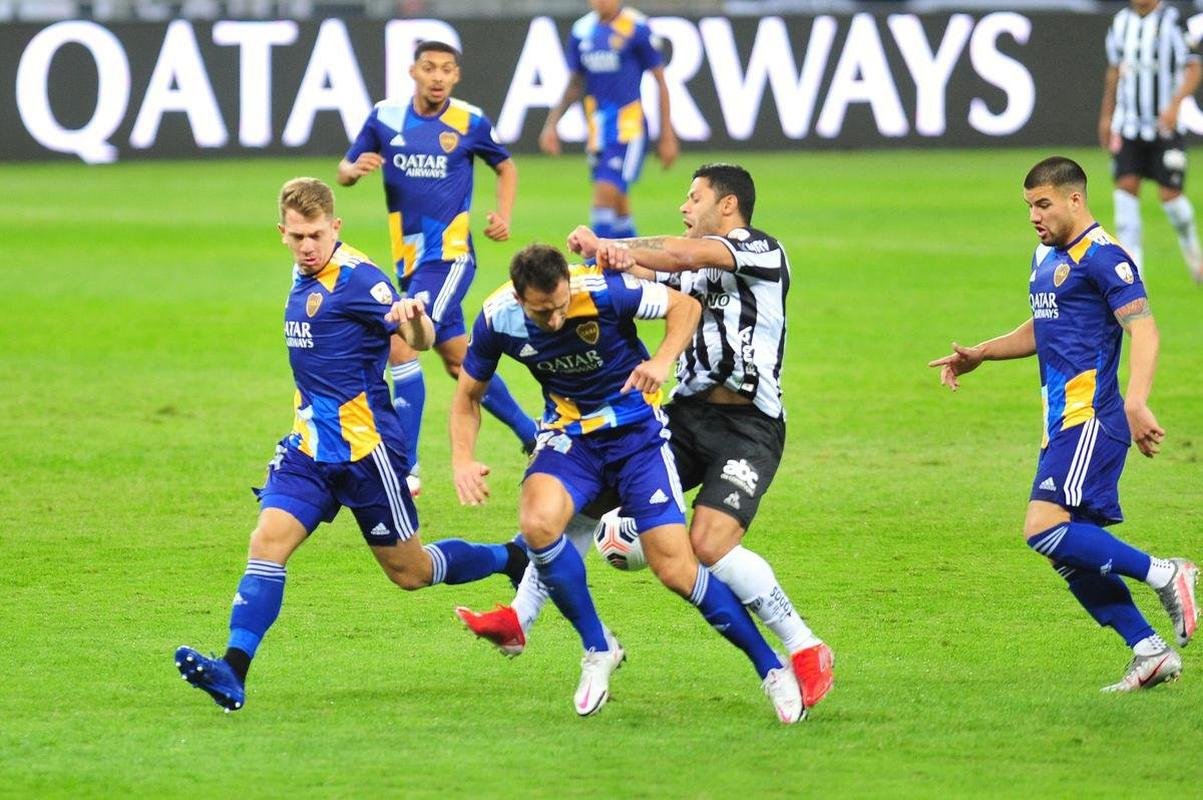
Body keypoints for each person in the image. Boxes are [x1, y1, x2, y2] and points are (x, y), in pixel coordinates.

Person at [457, 163, 834, 714]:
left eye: (694, 198)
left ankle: (804, 645)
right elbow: (646, 274)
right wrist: (610, 255)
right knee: (577, 507)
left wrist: (609, 241)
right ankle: (521, 616)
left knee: (705, 546)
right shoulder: (685, 268)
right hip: (685, 415)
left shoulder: (760, 251)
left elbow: (679, 255)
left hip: (748, 427)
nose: (684, 209)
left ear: (726, 206)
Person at [173, 178, 526, 712]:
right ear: (283, 234)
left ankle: (510, 557)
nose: (307, 246)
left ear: (335, 227)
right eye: (297, 236)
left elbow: (418, 346)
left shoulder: (362, 281)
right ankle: (233, 670)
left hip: (365, 455)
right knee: (266, 541)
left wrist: (418, 323)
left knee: (410, 572)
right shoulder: (301, 271)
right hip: (308, 450)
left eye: (316, 234)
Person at [928, 156, 1198, 692]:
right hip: (1061, 423)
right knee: (1073, 550)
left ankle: (1170, 574)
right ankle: (1149, 651)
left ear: (1075, 199)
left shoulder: (1106, 258)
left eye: (1044, 204)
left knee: (1044, 529)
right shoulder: (1045, 256)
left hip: (1093, 416)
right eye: (1029, 206)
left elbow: (1144, 330)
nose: (1034, 215)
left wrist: (1137, 401)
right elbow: (1045, 324)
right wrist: (981, 352)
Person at [339, 40, 537, 495]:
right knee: (458, 361)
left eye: (446, 69)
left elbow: (505, 167)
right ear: (414, 71)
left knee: (401, 339)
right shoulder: (385, 117)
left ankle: (404, 469)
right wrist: (353, 171)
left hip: (449, 258)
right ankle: (533, 434)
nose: (437, 77)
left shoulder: (468, 120)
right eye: (429, 68)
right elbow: (345, 169)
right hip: (410, 262)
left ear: (456, 76)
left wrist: (502, 216)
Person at [539, 0, 678, 241]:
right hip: (597, 130)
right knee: (618, 205)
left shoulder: (637, 27)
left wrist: (666, 134)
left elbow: (661, 82)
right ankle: (633, 262)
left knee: (604, 195)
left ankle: (595, 266)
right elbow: (575, 82)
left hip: (628, 128)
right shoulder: (581, 30)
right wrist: (551, 124)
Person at [1098, 0, 1203, 282]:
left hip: (1163, 128)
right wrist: (1106, 116)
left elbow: (1194, 68)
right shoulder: (1120, 22)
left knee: (1170, 196)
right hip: (1128, 126)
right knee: (1126, 189)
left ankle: (1193, 251)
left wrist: (1175, 105)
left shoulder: (1173, 20)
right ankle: (1133, 276)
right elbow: (1114, 72)